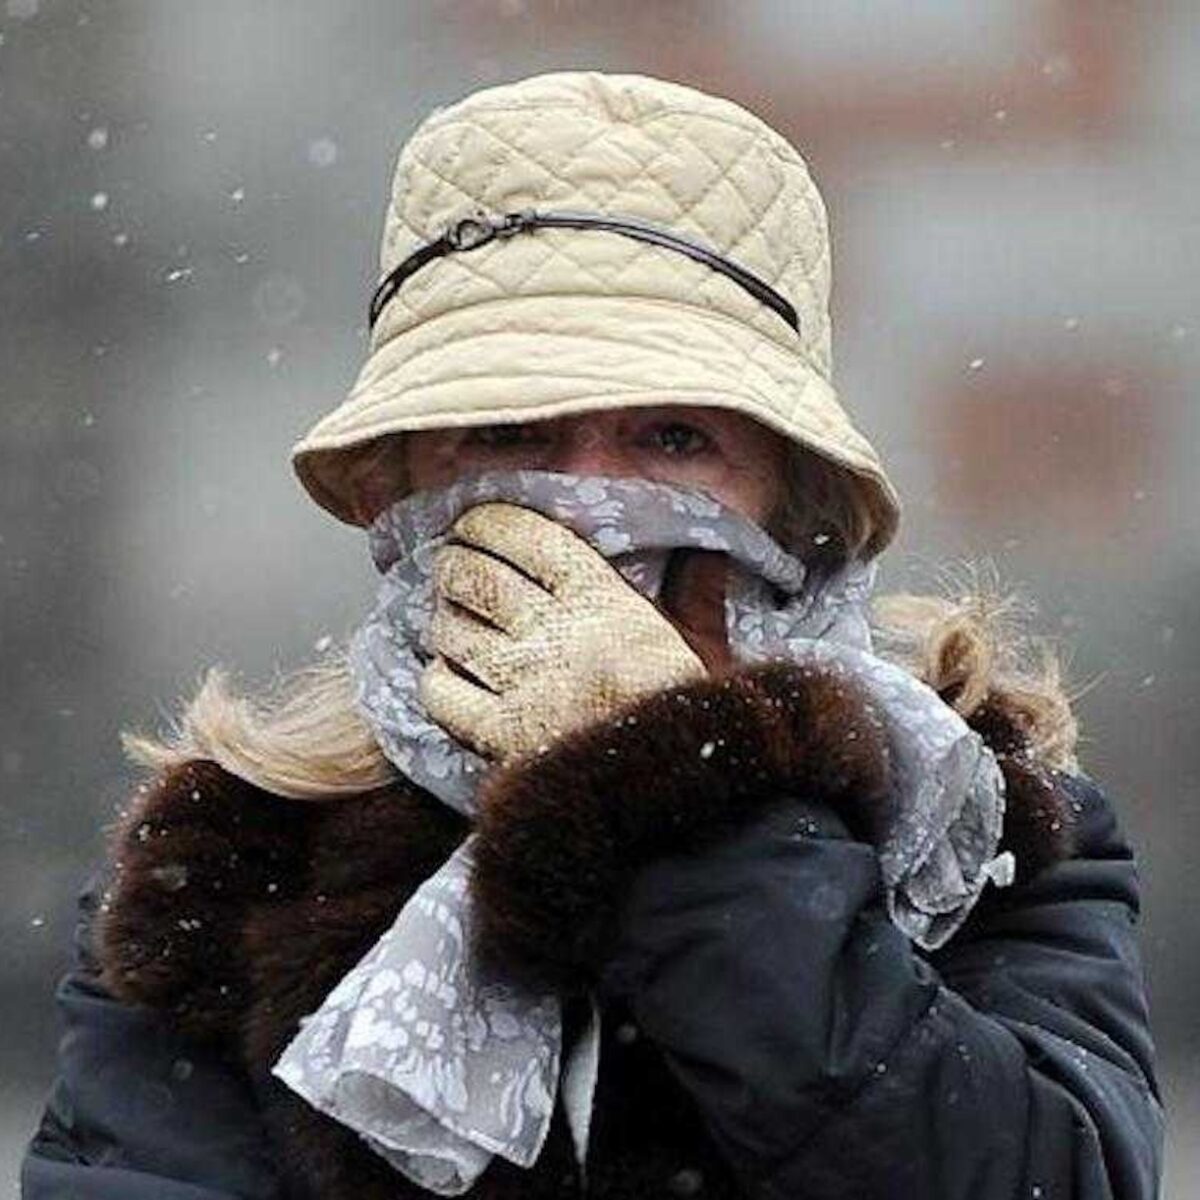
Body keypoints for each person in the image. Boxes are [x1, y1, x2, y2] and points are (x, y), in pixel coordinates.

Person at [22, 70, 1163, 1200]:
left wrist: (674, 791)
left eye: (671, 439)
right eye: (510, 431)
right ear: (396, 487)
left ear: (793, 500)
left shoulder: (971, 830)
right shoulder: (232, 859)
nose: (584, 502)